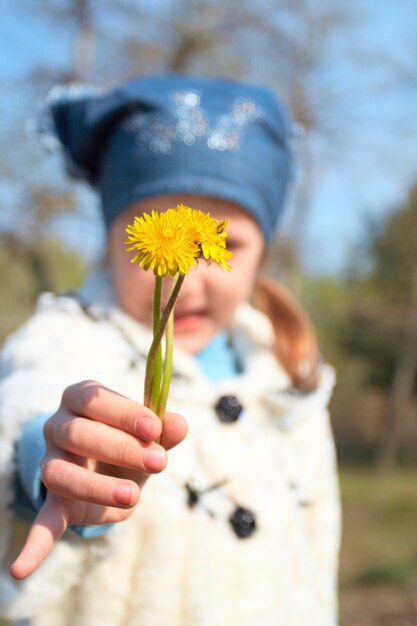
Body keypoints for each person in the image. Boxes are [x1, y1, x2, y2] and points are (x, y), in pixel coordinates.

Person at [0, 74, 340, 626]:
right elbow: (30, 392)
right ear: (110, 240)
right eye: (160, 239)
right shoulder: (68, 335)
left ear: (263, 253)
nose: (190, 271)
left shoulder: (285, 372)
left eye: (221, 244)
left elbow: (319, 543)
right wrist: (50, 451)